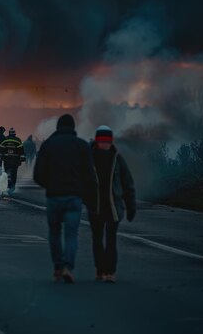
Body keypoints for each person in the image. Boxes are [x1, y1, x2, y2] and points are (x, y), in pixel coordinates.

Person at [34, 114, 97, 283]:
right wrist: (89, 197)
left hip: (54, 197)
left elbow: (38, 174)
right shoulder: (82, 146)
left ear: (58, 127)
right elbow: (90, 176)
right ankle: (68, 267)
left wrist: (50, 186)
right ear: (73, 127)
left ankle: (57, 267)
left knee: (54, 233)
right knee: (71, 234)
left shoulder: (48, 145)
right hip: (74, 197)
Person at [85, 125, 136, 283]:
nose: (105, 144)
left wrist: (131, 206)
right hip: (95, 206)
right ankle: (100, 270)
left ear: (111, 142)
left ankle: (110, 271)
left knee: (111, 239)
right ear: (97, 141)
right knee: (97, 239)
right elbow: (82, 180)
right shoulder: (89, 158)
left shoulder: (118, 159)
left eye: (107, 141)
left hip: (114, 207)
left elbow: (128, 184)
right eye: (102, 141)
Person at [0, 128, 24, 195]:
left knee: (7, 173)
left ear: (9, 133)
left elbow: (1, 149)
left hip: (7, 160)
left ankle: (9, 185)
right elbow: (21, 150)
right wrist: (22, 158)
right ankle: (13, 187)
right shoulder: (18, 140)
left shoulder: (5, 140)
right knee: (14, 174)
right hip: (15, 161)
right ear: (14, 133)